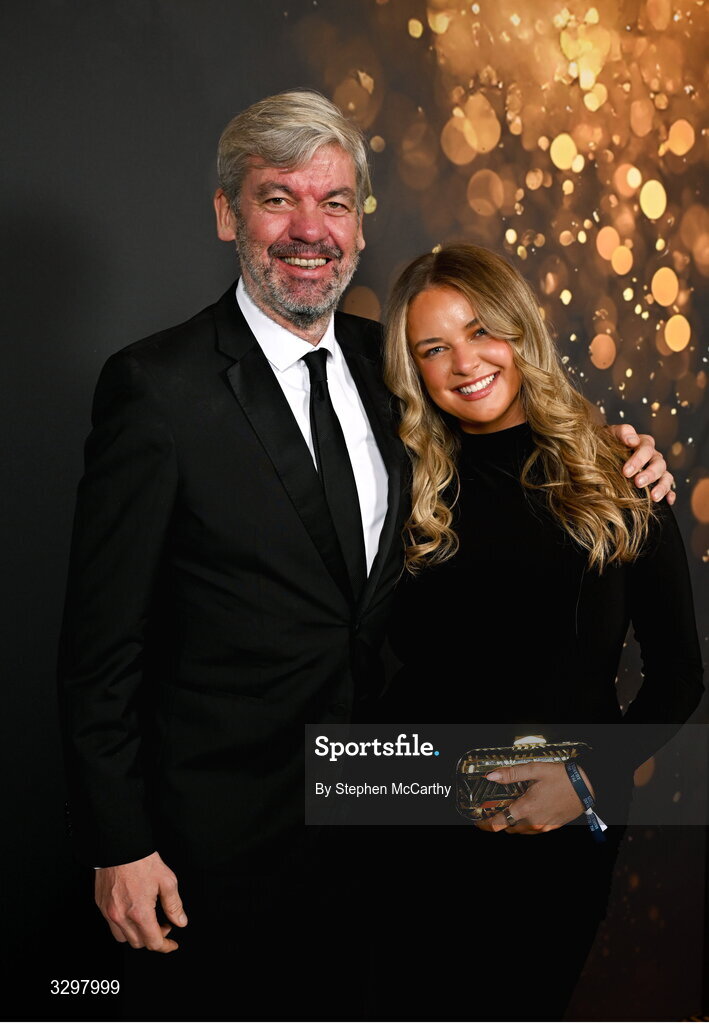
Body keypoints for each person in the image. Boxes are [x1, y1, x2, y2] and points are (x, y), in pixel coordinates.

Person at [58, 91, 672, 1018]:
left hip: (396, 804)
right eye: (277, 198)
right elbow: (100, 646)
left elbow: (512, 454)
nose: (310, 230)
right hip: (220, 832)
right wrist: (119, 842)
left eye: (334, 202)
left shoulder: (399, 368)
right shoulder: (156, 388)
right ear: (227, 214)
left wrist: (618, 451)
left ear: (358, 225)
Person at [378, 243, 703, 1020]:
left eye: (481, 330)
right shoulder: (395, 480)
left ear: (520, 328)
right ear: (411, 368)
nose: (464, 363)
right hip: (414, 822)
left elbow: (678, 676)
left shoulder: (618, 474)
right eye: (433, 348)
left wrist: (587, 778)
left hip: (561, 832)